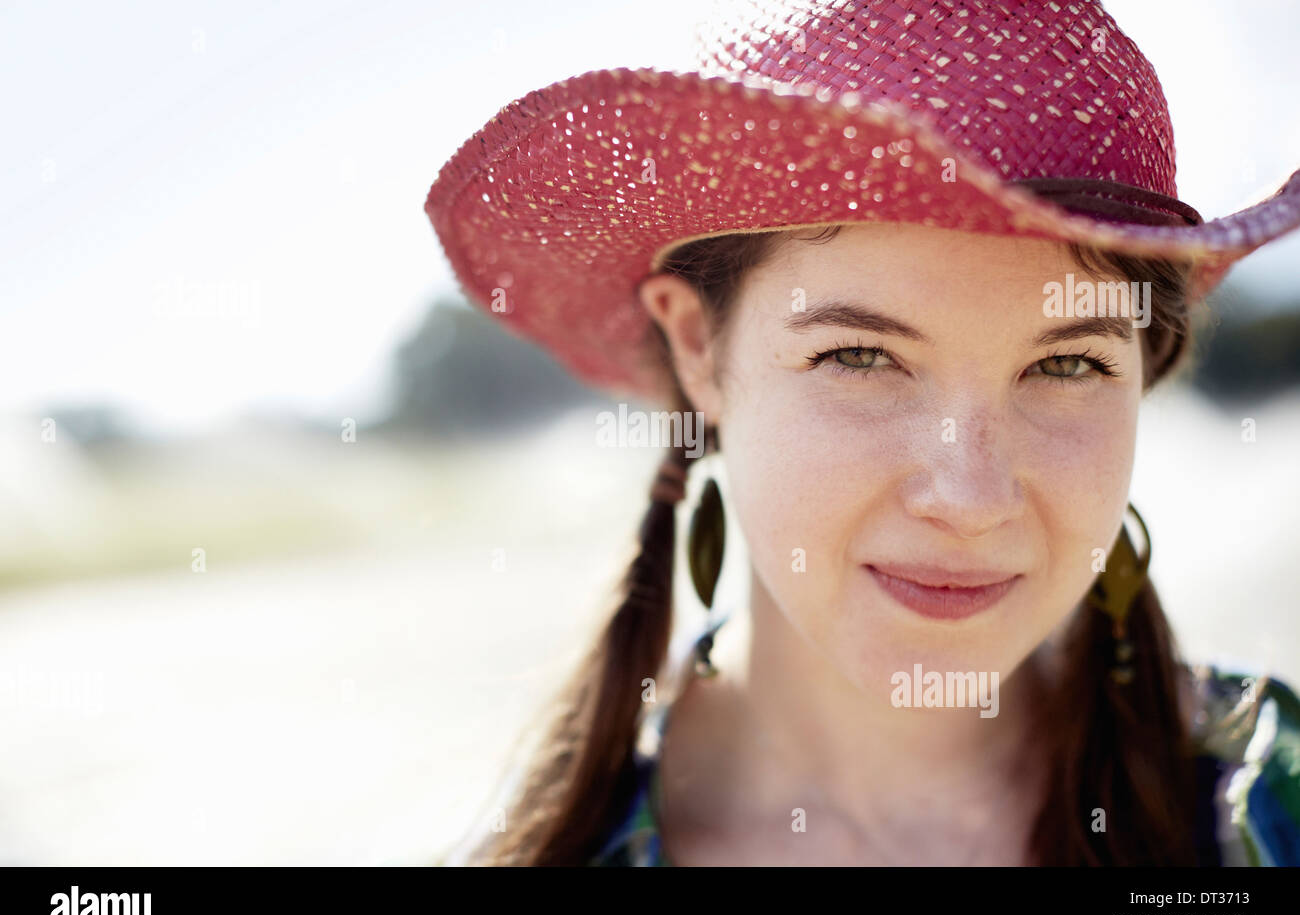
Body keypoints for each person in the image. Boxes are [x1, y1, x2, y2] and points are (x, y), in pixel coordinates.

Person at [424, 0, 1300, 865]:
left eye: (1067, 365)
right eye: (861, 356)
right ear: (697, 344)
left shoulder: (1271, 798)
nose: (970, 498)